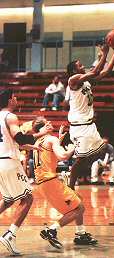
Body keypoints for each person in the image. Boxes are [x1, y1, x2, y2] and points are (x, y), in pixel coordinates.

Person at [0, 89, 52, 256]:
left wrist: (32, 146)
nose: (16, 99)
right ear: (9, 100)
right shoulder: (10, 117)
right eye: (14, 97)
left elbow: (14, 142)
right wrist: (41, 134)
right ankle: (10, 234)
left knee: (8, 200)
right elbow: (20, 139)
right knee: (28, 198)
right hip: (9, 162)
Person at [33, 118, 98, 249]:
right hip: (50, 181)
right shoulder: (52, 139)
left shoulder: (38, 141)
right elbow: (62, 156)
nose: (50, 123)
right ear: (41, 129)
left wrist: (59, 139)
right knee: (79, 208)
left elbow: (49, 153)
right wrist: (72, 149)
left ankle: (81, 234)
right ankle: (51, 230)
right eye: (46, 123)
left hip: (42, 183)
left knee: (77, 200)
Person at [65, 44, 114, 190]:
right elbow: (95, 71)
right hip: (79, 126)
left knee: (102, 150)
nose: (83, 66)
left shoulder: (86, 81)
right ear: (73, 70)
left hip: (90, 126)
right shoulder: (73, 80)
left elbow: (106, 71)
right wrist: (105, 54)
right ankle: (70, 185)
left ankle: (72, 159)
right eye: (79, 65)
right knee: (81, 158)